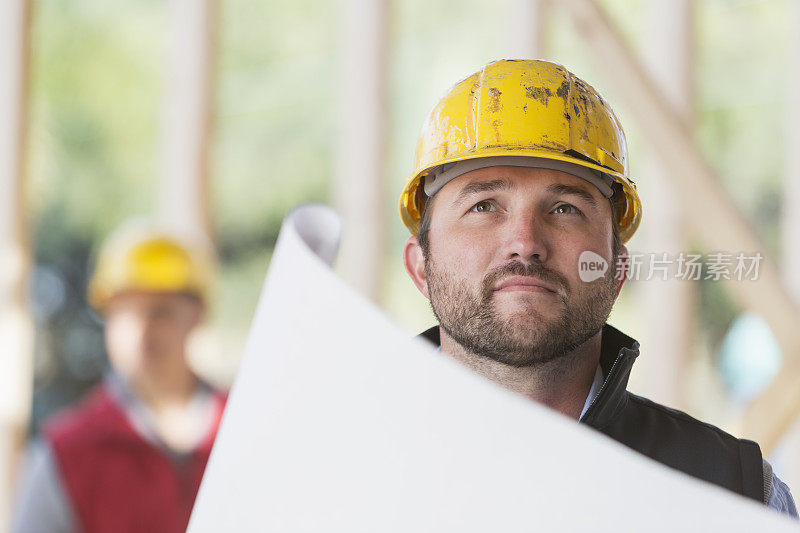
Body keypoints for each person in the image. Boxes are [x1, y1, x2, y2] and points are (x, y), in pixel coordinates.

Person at [398, 59, 797, 516]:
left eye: (566, 209)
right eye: (485, 205)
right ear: (421, 266)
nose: (525, 243)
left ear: (616, 268)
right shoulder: (327, 467)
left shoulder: (736, 495)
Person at [13, 220, 226, 533]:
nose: (143, 332)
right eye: (126, 312)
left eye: (161, 312)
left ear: (198, 314)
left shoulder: (248, 429)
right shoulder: (66, 455)